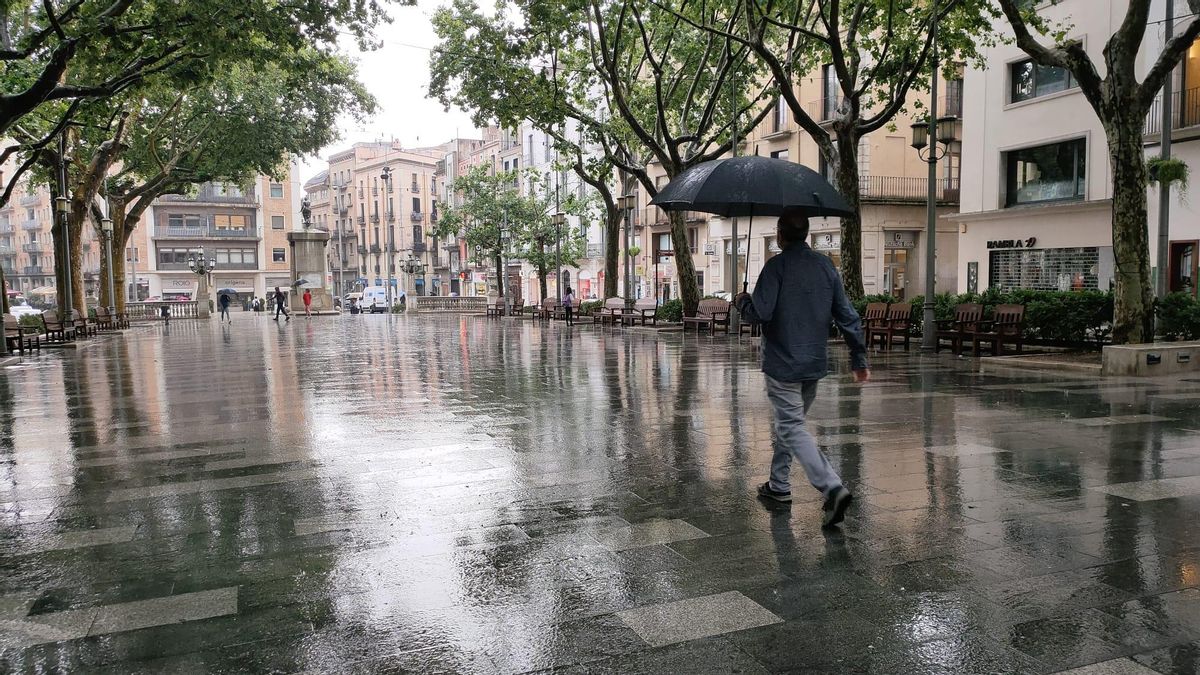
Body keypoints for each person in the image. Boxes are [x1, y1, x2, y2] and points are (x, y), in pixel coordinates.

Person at [735, 207, 869, 528]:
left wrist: (742, 301)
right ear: (806, 234)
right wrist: (858, 358)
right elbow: (847, 314)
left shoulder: (776, 267)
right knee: (790, 423)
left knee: (792, 426)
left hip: (783, 363)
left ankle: (832, 487)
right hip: (813, 364)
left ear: (780, 234)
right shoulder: (826, 266)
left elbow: (761, 314)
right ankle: (779, 484)